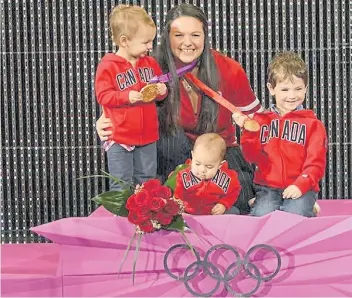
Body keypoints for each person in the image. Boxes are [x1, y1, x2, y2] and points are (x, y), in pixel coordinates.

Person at [96, 3, 263, 213]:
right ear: (166, 37)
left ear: (205, 36)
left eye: (195, 35)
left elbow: (260, 120)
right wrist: (102, 121)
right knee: (167, 150)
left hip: (218, 155)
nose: (187, 43)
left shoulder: (228, 69)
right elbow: (116, 97)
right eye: (178, 35)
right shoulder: (149, 67)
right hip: (172, 155)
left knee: (238, 198)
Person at [233, 52, 327, 217]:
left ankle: (307, 207)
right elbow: (251, 156)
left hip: (302, 187)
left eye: (298, 89)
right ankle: (261, 203)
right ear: (271, 89)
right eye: (285, 89)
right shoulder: (261, 121)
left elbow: (316, 163)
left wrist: (301, 184)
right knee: (262, 216)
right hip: (268, 187)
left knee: (293, 215)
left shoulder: (314, 125)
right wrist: (249, 132)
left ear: (306, 87)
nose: (292, 95)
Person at [95, 5, 168, 190]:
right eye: (146, 42)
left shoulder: (150, 64)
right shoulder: (108, 65)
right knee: (121, 183)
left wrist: (162, 90)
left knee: (147, 181)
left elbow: (161, 91)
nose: (150, 47)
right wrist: (127, 96)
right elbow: (103, 96)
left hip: (148, 136)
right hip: (119, 137)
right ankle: (120, 218)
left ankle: (145, 216)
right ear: (124, 40)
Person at [173, 133, 241, 215]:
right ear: (192, 155)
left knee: (234, 211)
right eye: (197, 164)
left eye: (209, 167)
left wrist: (223, 204)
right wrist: (178, 204)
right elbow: (177, 195)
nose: (202, 170)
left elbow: (234, 191)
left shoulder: (227, 179)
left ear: (220, 165)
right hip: (189, 214)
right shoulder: (184, 176)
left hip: (213, 214)